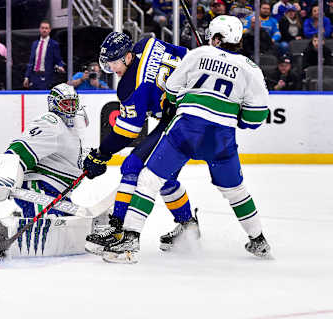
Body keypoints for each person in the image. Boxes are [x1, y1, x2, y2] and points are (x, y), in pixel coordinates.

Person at [101, 15, 272, 264]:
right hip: (221, 137)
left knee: (149, 179)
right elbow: (255, 118)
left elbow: (171, 91)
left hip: (186, 129)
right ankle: (258, 240)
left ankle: (129, 242)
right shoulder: (251, 69)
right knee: (236, 191)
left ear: (214, 37)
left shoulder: (198, 54)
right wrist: (237, 116)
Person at [81, 32, 196, 257]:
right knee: (163, 176)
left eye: (114, 62)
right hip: (197, 111)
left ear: (126, 57)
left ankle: (118, 231)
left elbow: (126, 133)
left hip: (182, 120)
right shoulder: (149, 42)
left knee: (132, 165)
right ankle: (189, 226)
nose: (112, 69)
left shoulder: (130, 87)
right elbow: (187, 55)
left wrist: (102, 153)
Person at [0, 83, 94, 258]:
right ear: (54, 104)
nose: (71, 109)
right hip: (39, 187)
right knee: (44, 229)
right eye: (66, 104)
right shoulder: (51, 122)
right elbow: (19, 149)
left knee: (67, 224)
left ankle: (0, 228)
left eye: (73, 103)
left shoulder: (73, 125)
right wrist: (2, 178)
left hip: (58, 193)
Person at [23, 20, 65, 90]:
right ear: (40, 29)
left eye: (46, 28)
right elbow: (31, 62)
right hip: (34, 76)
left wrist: (60, 66)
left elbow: (58, 59)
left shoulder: (54, 44)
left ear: (49, 30)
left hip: (46, 77)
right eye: (42, 28)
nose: (44, 30)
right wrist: (27, 77)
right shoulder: (35, 44)